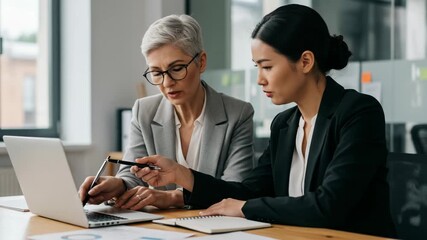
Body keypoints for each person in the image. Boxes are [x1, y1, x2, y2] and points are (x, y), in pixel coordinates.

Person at [132, 4, 396, 238]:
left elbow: (329, 205)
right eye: (257, 67)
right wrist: (183, 175)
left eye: (267, 66)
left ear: (305, 61)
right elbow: (249, 190)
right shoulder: (284, 124)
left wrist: (245, 208)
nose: (260, 79)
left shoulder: (358, 112)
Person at [79, 14, 255, 210]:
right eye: (156, 72)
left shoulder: (237, 114)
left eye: (177, 68)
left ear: (202, 62)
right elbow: (131, 173)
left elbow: (237, 191)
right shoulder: (144, 111)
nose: (167, 82)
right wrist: (119, 185)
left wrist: (172, 197)